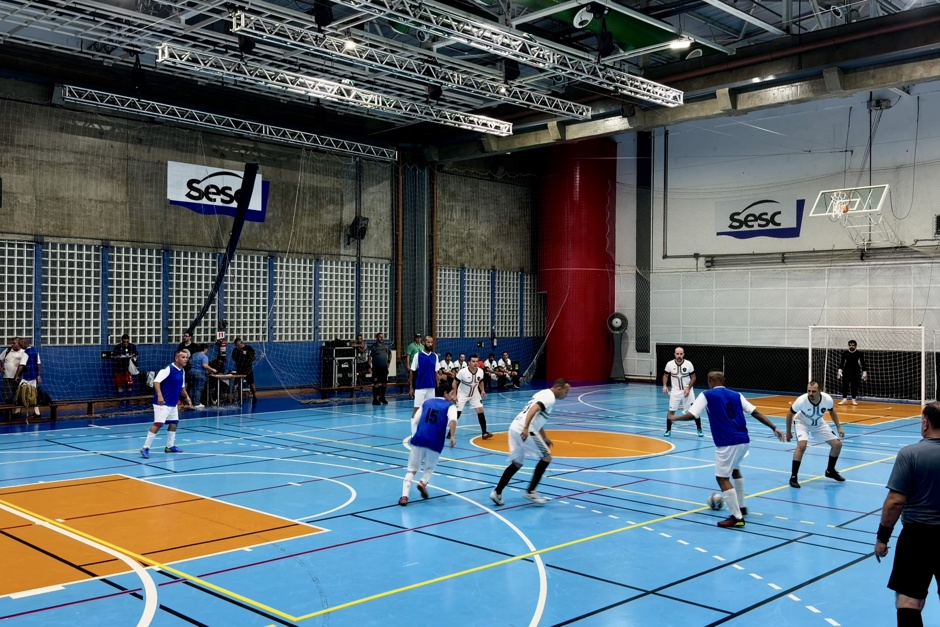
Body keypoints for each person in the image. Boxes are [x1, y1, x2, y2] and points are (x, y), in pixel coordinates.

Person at [672, 371, 784, 528]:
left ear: (710, 381)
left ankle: (737, 517)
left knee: (722, 478)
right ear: (723, 380)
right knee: (735, 469)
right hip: (744, 440)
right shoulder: (737, 395)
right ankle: (742, 507)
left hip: (727, 442)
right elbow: (755, 412)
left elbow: (693, 414)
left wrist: (675, 418)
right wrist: (774, 427)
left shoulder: (707, 395)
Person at [874, 402, 940, 627]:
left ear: (925, 423)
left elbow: (895, 501)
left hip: (917, 537)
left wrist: (882, 538)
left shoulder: (910, 454)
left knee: (909, 601)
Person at [490, 378, 571, 506]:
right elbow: (533, 410)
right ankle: (531, 491)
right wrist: (526, 428)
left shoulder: (542, 393)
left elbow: (538, 416)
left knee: (517, 463)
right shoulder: (550, 398)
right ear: (559, 389)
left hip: (514, 426)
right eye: (566, 392)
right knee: (547, 457)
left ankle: (497, 492)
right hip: (524, 429)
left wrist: (544, 436)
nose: (567, 395)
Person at [399, 383, 458, 506]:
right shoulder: (450, 407)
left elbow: (415, 419)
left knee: (411, 469)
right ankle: (423, 482)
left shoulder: (426, 403)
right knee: (429, 467)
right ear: (445, 394)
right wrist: (452, 436)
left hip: (419, 439)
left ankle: (404, 496)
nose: (453, 397)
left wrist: (417, 433)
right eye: (451, 394)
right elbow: (453, 420)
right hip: (435, 441)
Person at [785, 380, 846, 488]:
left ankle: (830, 471)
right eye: (809, 391)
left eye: (813, 391)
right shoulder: (801, 400)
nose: (810, 394)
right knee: (802, 446)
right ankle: (793, 477)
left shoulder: (827, 399)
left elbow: (832, 412)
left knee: (837, 445)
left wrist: (839, 427)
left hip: (818, 423)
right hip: (802, 422)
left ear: (820, 391)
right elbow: (790, 414)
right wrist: (789, 432)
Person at [140, 349, 193, 459]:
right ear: (176, 358)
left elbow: (182, 387)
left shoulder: (182, 371)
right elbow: (156, 381)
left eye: (186, 357)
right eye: (183, 357)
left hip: (173, 403)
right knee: (158, 424)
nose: (185, 359)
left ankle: (169, 446)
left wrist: (187, 397)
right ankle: (145, 448)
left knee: (174, 423)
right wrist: (159, 395)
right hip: (162, 403)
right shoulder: (168, 369)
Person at [663, 346, 702, 437]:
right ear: (674, 354)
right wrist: (665, 386)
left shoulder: (688, 364)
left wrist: (688, 388)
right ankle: (668, 430)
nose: (679, 356)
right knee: (671, 410)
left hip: (687, 391)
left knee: (694, 410)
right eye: (677, 354)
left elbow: (694, 377)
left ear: (683, 354)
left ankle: (699, 429)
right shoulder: (669, 364)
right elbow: (665, 375)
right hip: (675, 392)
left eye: (681, 354)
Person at [453, 354, 491, 441]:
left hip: (475, 394)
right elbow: (454, 383)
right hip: (462, 394)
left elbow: (480, 381)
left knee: (481, 410)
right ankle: (450, 432)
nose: (475, 363)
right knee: (457, 413)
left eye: (477, 361)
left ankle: (484, 432)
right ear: (469, 363)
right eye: (473, 361)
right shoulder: (462, 372)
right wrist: (455, 395)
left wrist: (482, 390)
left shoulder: (481, 371)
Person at [409, 335, 442, 432]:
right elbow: (412, 371)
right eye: (428, 342)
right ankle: (414, 433)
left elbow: (436, 372)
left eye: (432, 342)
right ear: (424, 342)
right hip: (420, 388)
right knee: (417, 410)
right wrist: (411, 388)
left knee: (431, 411)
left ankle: (428, 431)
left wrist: (438, 385)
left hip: (431, 388)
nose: (430, 344)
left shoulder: (435, 356)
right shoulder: (417, 356)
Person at [14, 337, 42, 418]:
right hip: (34, 376)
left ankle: (17, 412)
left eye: (20, 344)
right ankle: (37, 413)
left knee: (20, 393)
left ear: (23, 344)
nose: (20, 345)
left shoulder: (25, 353)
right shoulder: (35, 351)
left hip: (27, 376)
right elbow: (38, 364)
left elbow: (21, 366)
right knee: (33, 394)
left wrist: (16, 375)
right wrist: (39, 375)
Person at [838, 339, 868, 405]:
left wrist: (864, 372)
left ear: (855, 346)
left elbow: (863, 363)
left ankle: (853, 399)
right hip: (846, 371)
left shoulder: (859, 353)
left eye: (853, 345)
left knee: (854, 386)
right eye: (850, 345)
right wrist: (840, 370)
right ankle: (844, 399)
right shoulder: (845, 353)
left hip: (855, 371)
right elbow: (842, 362)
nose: (851, 346)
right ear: (848, 346)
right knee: (844, 385)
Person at [188, 344, 216, 409]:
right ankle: (197, 404)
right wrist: (212, 369)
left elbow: (190, 362)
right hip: (199, 373)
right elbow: (204, 365)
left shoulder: (194, 355)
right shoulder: (204, 356)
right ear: (205, 349)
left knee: (192, 388)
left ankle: (190, 403)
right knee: (198, 389)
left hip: (191, 372)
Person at [112, 334, 138, 401]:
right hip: (119, 368)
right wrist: (118, 357)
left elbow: (136, 356)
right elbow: (113, 356)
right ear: (122, 340)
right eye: (124, 342)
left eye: (126, 342)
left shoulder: (132, 346)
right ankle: (121, 402)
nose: (125, 343)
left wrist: (133, 356)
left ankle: (128, 402)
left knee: (129, 385)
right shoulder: (118, 347)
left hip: (129, 369)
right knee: (120, 385)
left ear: (128, 340)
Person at [368, 332, 393, 406]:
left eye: (383, 337)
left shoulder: (386, 346)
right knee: (376, 384)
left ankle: (382, 397)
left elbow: (390, 354)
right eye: (380, 337)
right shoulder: (373, 347)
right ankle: (375, 399)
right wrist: (369, 366)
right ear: (377, 338)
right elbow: (369, 357)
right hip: (376, 368)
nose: (382, 338)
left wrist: (388, 362)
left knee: (384, 383)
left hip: (384, 368)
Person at [1, 337, 26, 405]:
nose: (12, 344)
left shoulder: (23, 352)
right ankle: (8, 413)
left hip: (18, 378)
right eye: (11, 343)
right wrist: (0, 367)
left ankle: (17, 412)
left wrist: (18, 375)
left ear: (19, 343)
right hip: (7, 377)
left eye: (14, 343)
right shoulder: (7, 350)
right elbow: (0, 358)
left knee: (18, 396)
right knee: (8, 396)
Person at [232, 338, 258, 402]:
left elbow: (254, 355)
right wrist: (238, 360)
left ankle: (254, 396)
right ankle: (239, 398)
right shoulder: (235, 350)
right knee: (239, 383)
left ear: (241, 343)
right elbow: (233, 357)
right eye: (236, 345)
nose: (237, 346)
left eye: (238, 345)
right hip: (240, 369)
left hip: (248, 368)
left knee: (251, 383)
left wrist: (250, 360)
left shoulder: (248, 348)